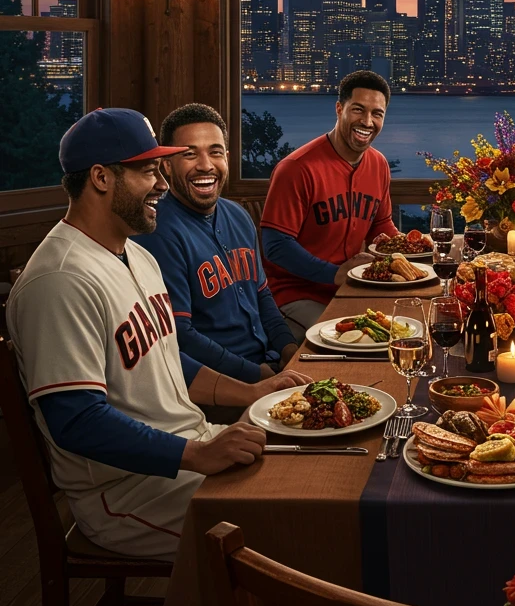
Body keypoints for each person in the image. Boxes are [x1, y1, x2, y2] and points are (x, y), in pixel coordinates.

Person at [6, 108, 309, 560]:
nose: (163, 184)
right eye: (148, 171)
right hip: (126, 490)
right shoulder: (60, 280)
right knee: (298, 526)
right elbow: (76, 421)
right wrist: (197, 455)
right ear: (101, 178)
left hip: (189, 443)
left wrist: (251, 393)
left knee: (312, 473)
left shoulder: (135, 254)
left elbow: (167, 357)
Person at [132, 104, 299, 383]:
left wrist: (289, 349)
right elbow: (179, 335)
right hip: (220, 384)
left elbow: (262, 296)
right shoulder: (157, 231)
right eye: (189, 154)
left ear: (227, 158)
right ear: (167, 165)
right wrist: (255, 376)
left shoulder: (239, 215)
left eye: (215, 152)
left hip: (267, 365)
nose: (206, 165)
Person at [261, 70, 400, 341]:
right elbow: (275, 245)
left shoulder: (379, 164)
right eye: (358, 110)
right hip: (296, 294)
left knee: (405, 326)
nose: (367, 121)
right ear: (339, 109)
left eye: (377, 113)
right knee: (363, 340)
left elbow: (381, 226)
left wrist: (411, 253)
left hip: (351, 288)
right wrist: (333, 274)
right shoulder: (296, 168)